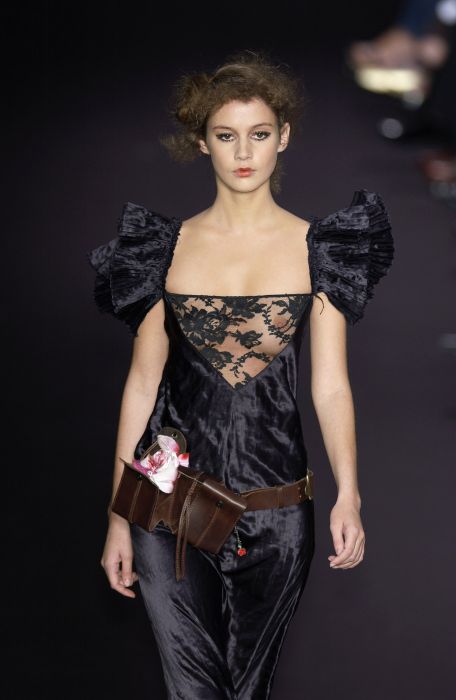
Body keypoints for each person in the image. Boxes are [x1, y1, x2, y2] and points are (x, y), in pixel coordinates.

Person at [87, 50, 394, 700]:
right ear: (203, 142)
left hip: (277, 513)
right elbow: (142, 383)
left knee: (249, 691)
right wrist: (118, 517)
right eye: (226, 136)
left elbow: (330, 384)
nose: (244, 152)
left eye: (259, 133)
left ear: (284, 137)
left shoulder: (321, 250)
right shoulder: (163, 249)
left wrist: (350, 493)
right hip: (167, 504)